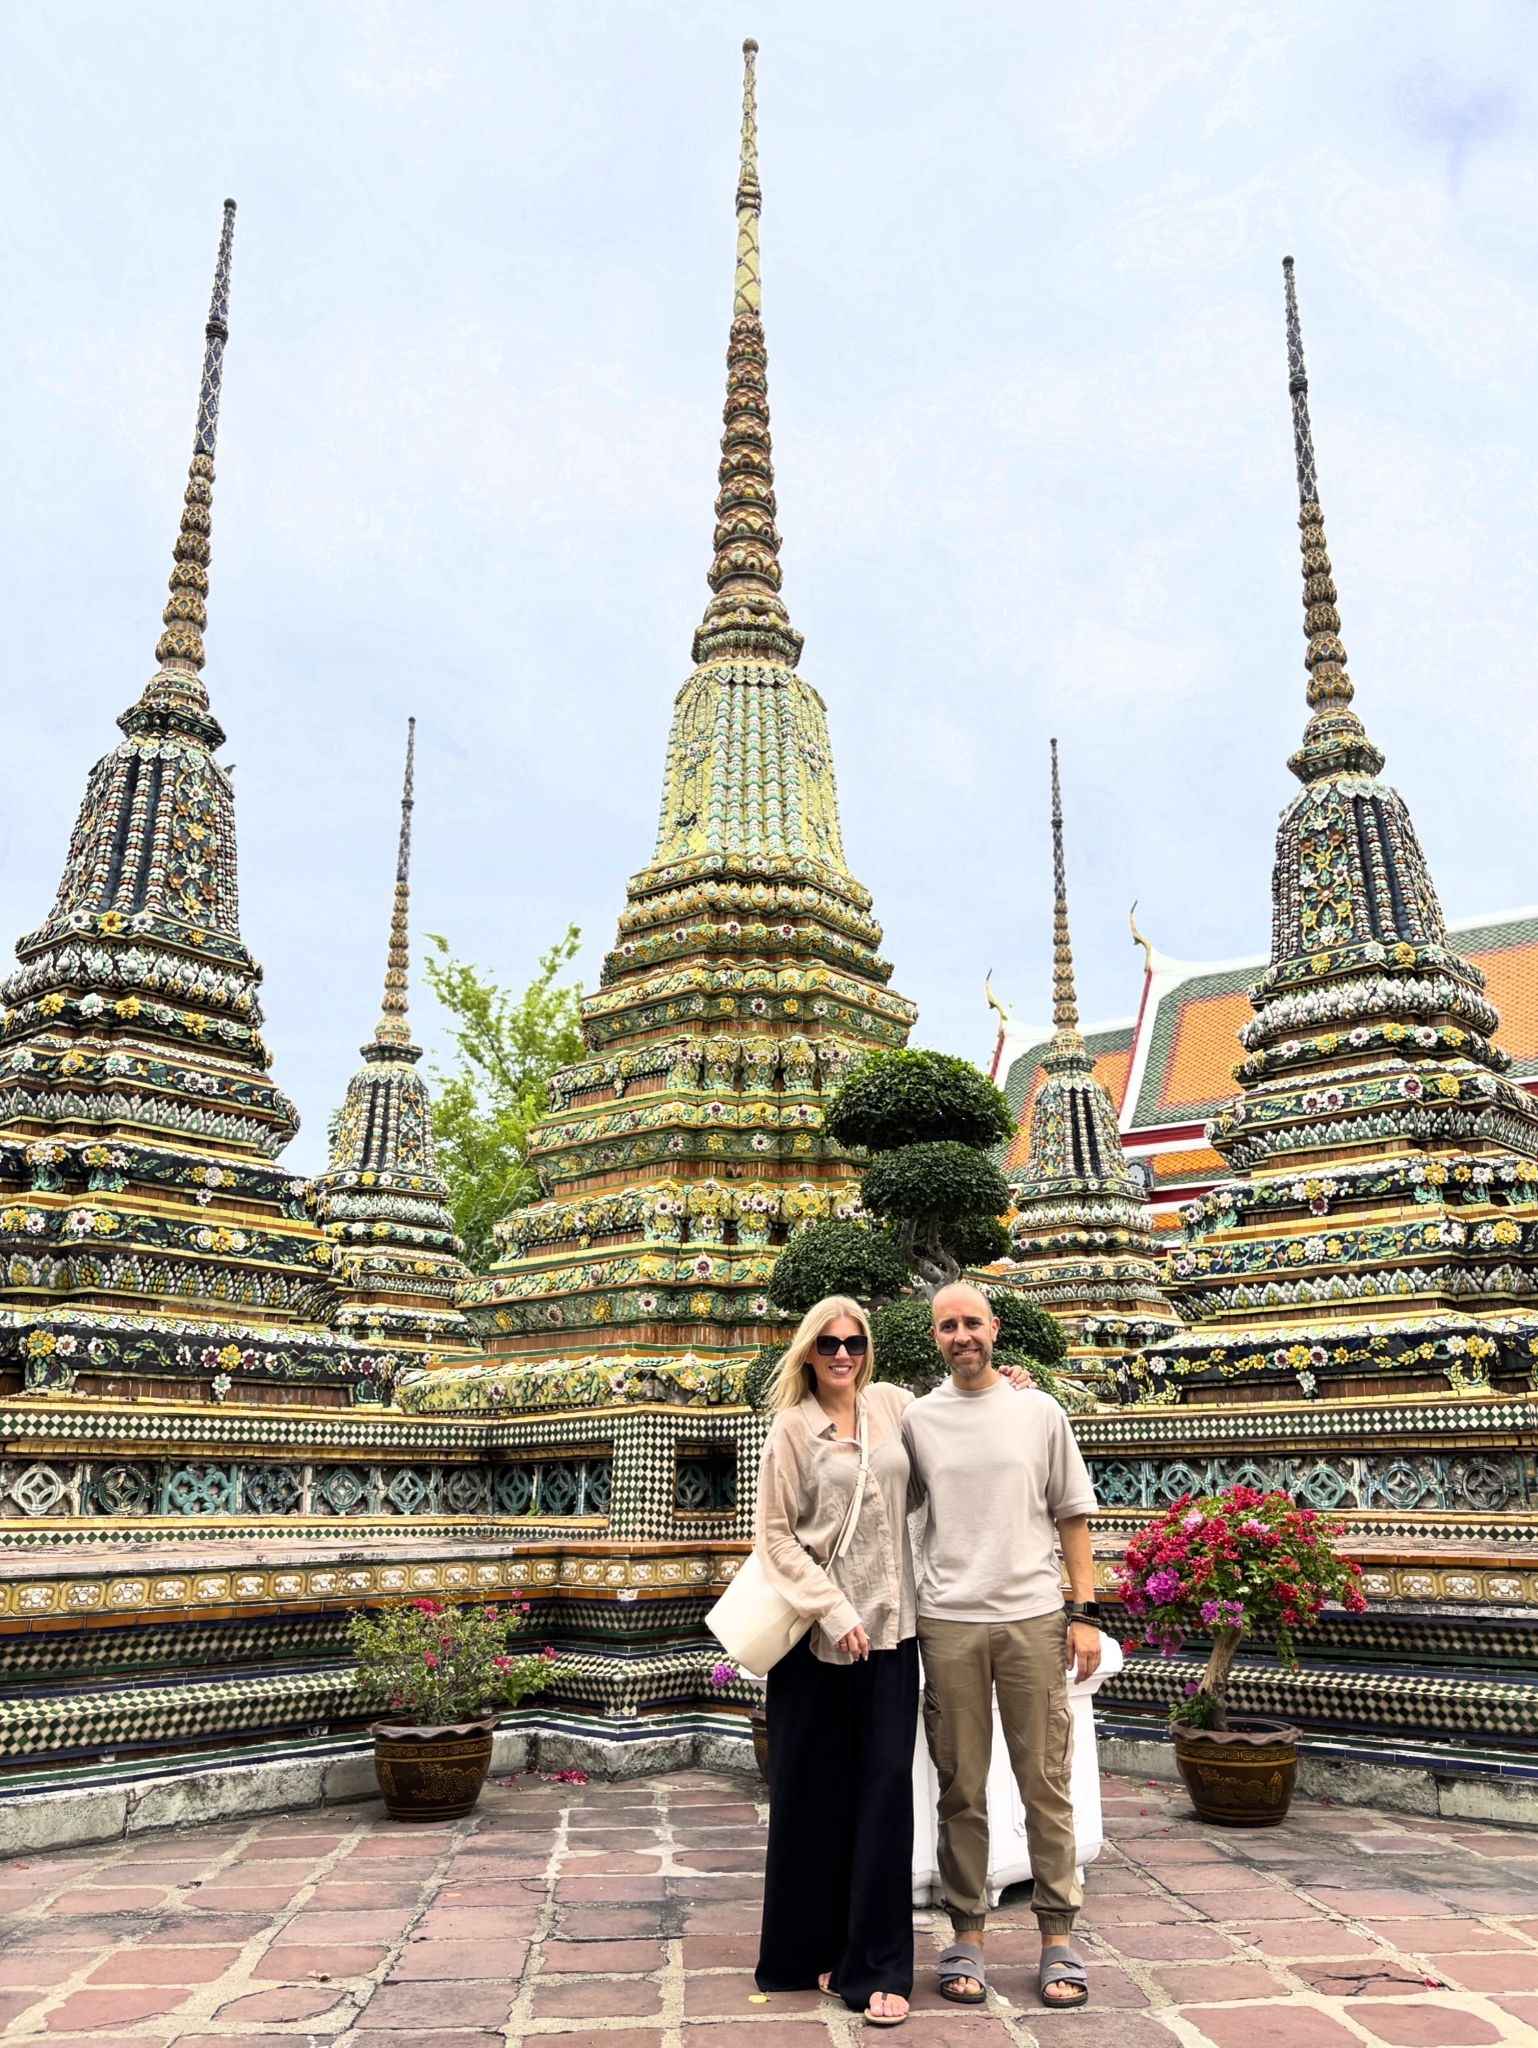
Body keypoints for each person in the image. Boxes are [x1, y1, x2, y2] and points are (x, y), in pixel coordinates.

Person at [902, 1280, 1101, 2013]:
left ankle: (1058, 1937)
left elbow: (1072, 1514)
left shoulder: (1038, 1412)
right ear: (935, 1338)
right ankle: (968, 1933)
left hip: (1032, 1616)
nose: (962, 1336)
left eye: (972, 1323)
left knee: (1044, 1780)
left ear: (995, 1329)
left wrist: (1084, 1612)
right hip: (949, 1619)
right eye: (947, 1326)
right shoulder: (918, 1420)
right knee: (961, 1784)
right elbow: (887, 1500)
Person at [752, 1294, 918, 2028]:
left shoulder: (894, 1406)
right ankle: (808, 1949)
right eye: (828, 1344)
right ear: (808, 1353)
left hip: (894, 1632)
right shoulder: (792, 1428)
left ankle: (877, 1966)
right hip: (817, 1639)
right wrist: (835, 1609)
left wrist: (1011, 1386)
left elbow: (955, 1419)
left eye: (853, 1342)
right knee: (813, 1796)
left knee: (884, 1798)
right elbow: (775, 1538)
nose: (843, 1355)